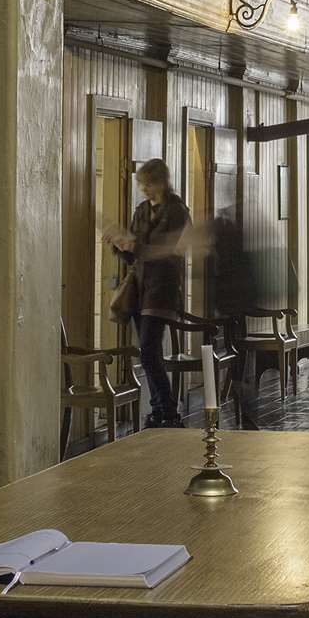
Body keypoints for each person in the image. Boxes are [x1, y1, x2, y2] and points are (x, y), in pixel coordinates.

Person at [112, 157, 192, 427]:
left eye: (148, 184)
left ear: (161, 183)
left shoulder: (177, 212)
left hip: (162, 289)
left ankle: (167, 410)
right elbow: (134, 253)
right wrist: (119, 245)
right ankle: (160, 409)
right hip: (140, 287)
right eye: (142, 185)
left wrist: (135, 248)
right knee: (149, 352)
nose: (144, 190)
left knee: (148, 349)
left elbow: (169, 251)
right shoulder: (142, 211)